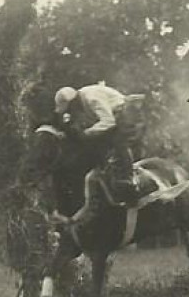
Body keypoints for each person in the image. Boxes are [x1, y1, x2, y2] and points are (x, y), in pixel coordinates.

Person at [55, 82, 146, 226]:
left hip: (125, 111)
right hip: (113, 116)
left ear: (74, 102)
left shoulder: (92, 99)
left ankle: (129, 179)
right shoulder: (80, 105)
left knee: (118, 140)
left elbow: (109, 122)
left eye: (70, 109)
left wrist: (87, 132)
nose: (71, 113)